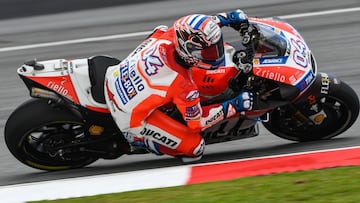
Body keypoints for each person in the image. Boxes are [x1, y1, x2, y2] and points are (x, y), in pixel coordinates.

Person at [104, 9, 253, 162]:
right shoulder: (183, 85)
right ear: (187, 49)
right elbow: (198, 123)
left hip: (115, 77)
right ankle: (139, 140)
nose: (213, 55)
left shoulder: (171, 36)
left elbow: (198, 29)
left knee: (159, 31)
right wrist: (233, 105)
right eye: (206, 52)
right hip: (127, 115)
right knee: (195, 148)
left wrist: (226, 18)